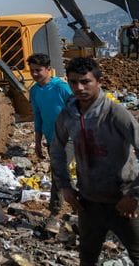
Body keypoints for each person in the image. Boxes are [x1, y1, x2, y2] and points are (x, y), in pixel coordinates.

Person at [49, 57, 139, 265]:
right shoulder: (68, 114)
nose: (79, 88)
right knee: (88, 256)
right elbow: (57, 150)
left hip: (123, 202)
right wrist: (65, 187)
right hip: (88, 203)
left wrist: (134, 195)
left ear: (99, 81)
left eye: (85, 81)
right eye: (73, 82)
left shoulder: (116, 113)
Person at [27, 53, 72, 227]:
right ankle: (63, 204)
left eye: (38, 70)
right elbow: (37, 116)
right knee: (59, 171)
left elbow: (75, 108)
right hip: (51, 137)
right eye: (32, 71)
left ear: (48, 69)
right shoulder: (35, 90)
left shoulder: (60, 87)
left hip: (69, 137)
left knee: (59, 170)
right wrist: (37, 141)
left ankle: (56, 209)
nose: (35, 74)